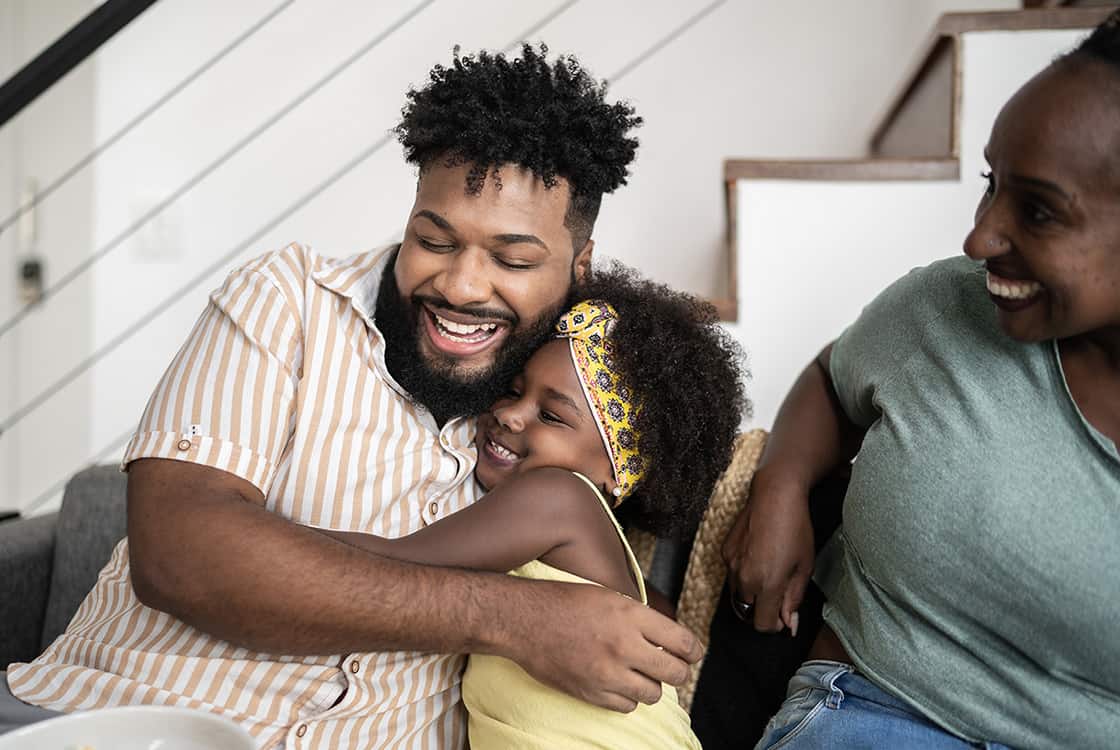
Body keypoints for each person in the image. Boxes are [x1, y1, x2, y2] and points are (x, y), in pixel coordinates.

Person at [3, 44, 705, 747]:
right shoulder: (287, 301)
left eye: (512, 259)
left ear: (579, 266)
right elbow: (180, 552)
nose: (461, 287)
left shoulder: (568, 417)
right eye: (434, 241)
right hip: (103, 721)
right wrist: (515, 617)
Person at [722, 12, 1120, 750]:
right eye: (989, 184)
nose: (980, 236)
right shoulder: (947, 307)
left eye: (1037, 210)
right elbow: (831, 377)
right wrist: (780, 484)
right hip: (874, 715)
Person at [318, 265, 747, 748]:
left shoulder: (556, 498)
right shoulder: (588, 543)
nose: (509, 414)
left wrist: (253, 535)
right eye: (514, 389)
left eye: (551, 416)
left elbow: (386, 566)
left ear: (615, 474)